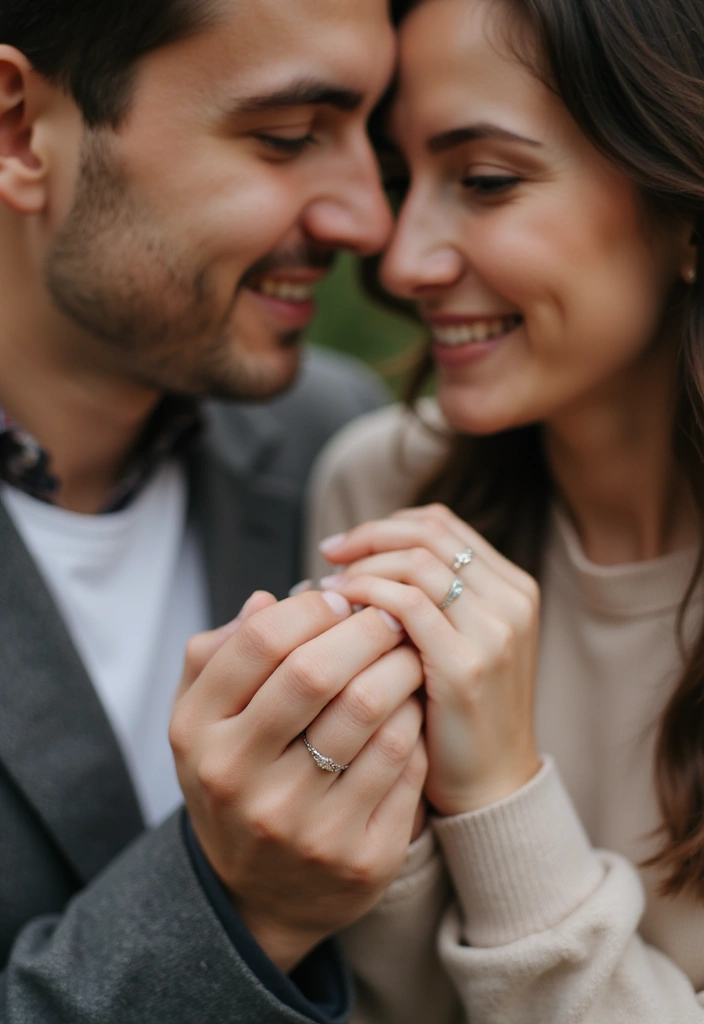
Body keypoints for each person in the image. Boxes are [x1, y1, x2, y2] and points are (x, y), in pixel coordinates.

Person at [0, 2, 431, 1022]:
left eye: (369, 140)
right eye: (286, 136)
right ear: (19, 130)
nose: (370, 225)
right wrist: (240, 909)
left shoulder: (343, 441)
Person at [307, 0, 704, 1018]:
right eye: (404, 182)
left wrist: (497, 803)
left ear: (686, 213)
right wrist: (374, 821)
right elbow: (381, 1002)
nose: (403, 261)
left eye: (484, 180)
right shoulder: (382, 493)